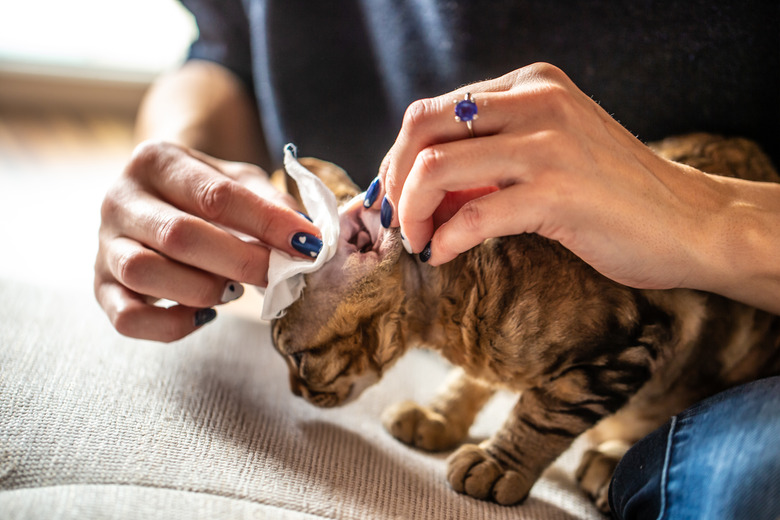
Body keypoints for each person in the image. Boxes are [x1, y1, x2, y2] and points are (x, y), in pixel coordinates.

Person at [94, 1, 779, 518]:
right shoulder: (465, 297)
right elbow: (223, 54)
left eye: (304, 361)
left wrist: (702, 217)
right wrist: (178, 163)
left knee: (756, 479)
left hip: (749, 341)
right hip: (598, 372)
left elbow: (626, 335)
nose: (303, 390)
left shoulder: (520, 302)